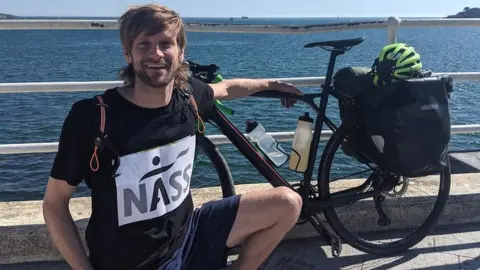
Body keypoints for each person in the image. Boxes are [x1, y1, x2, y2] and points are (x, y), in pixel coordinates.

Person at [42, 3, 304, 270]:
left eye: (165, 44)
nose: (156, 54)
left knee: (288, 203)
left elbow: (227, 87)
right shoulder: (93, 117)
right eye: (144, 44)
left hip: (189, 235)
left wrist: (273, 85)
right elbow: (55, 204)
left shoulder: (189, 97)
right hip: (136, 262)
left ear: (180, 52)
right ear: (127, 54)